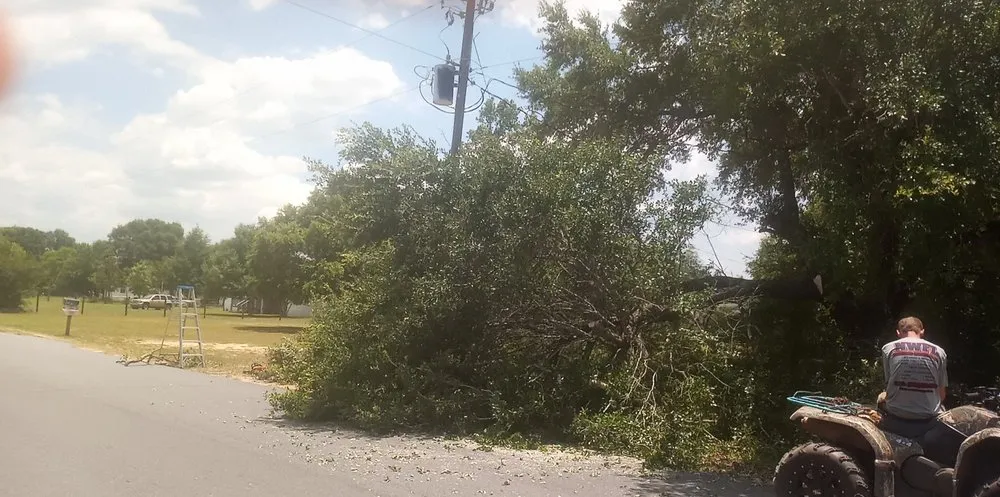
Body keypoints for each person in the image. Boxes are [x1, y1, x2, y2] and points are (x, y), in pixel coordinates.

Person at [878, 316, 949, 421]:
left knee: (881, 397)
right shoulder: (939, 351)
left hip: (896, 411)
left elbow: (889, 383)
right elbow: (942, 394)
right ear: (922, 331)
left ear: (898, 333)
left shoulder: (888, 348)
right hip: (929, 413)